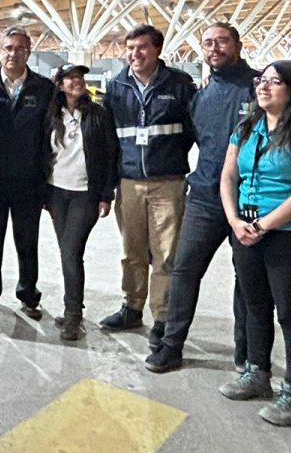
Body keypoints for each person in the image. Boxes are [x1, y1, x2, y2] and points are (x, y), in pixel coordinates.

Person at [218, 61, 291, 426]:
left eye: (274, 82)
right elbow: (228, 176)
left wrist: (263, 224)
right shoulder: (247, 127)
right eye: (261, 81)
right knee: (254, 307)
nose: (263, 87)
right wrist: (235, 220)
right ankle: (257, 373)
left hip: (289, 235)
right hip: (245, 230)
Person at [145, 23, 257, 372]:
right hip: (206, 197)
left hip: (248, 203)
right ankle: (172, 345)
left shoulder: (260, 87)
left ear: (238, 45)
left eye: (222, 41)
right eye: (208, 43)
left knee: (248, 282)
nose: (214, 48)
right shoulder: (202, 96)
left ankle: (247, 353)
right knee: (183, 271)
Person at [101, 24, 197, 349]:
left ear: (157, 50)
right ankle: (132, 306)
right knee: (132, 251)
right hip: (128, 183)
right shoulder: (116, 86)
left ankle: (163, 317)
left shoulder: (179, 85)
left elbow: (192, 132)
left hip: (167, 183)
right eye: (130, 48)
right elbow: (108, 140)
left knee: (167, 254)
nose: (135, 54)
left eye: (142, 47)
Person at [0, 27, 54, 321]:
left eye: (20, 48)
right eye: (8, 48)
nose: (13, 53)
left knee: (27, 242)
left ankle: (29, 296)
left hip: (28, 182)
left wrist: (46, 180)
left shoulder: (44, 89)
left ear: (28, 53)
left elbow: (49, 137)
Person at [45, 63, 119, 341]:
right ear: (60, 84)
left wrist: (106, 194)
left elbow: (111, 154)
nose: (77, 81)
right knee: (67, 253)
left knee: (71, 251)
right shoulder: (51, 114)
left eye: (80, 77)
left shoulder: (98, 114)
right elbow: (43, 153)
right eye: (70, 78)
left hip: (85, 193)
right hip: (56, 193)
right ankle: (71, 308)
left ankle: (73, 315)